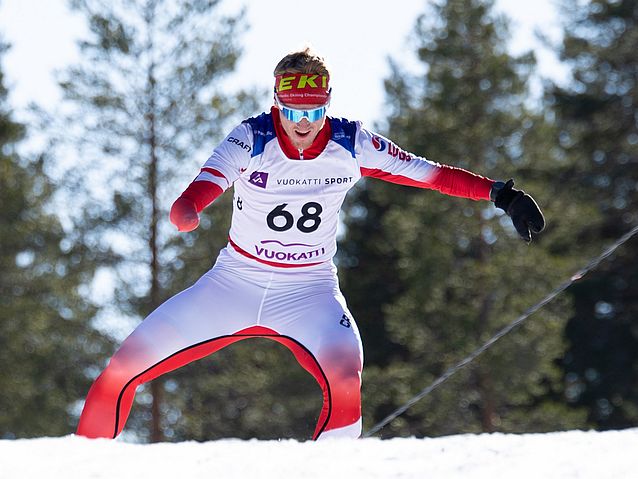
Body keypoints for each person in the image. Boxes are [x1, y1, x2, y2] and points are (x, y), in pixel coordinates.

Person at [76, 47, 545, 441]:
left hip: (310, 292)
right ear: (277, 102)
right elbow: (207, 181)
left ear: (328, 104)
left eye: (314, 111)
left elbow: (429, 173)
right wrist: (190, 207)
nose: (304, 123)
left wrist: (500, 194)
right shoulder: (252, 137)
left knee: (346, 381)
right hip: (233, 285)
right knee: (119, 373)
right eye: (294, 111)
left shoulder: (351, 141)